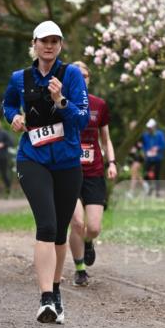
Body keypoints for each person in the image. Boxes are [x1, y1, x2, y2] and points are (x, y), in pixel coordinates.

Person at [2, 20, 89, 323]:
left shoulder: (72, 75)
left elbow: (82, 119)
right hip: (32, 158)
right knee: (47, 226)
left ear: (60, 45)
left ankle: (55, 289)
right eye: (44, 40)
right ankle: (45, 299)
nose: (49, 46)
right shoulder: (20, 78)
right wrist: (13, 117)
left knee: (61, 233)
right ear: (34, 44)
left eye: (55, 41)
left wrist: (60, 101)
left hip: (66, 162)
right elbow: (8, 103)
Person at [68, 62, 117, 287]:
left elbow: (105, 139)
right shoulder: (61, 104)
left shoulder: (99, 105)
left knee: (94, 227)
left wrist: (112, 162)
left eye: (85, 75)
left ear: (89, 79)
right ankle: (80, 269)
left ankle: (88, 243)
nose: (82, 79)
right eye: (77, 75)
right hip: (67, 171)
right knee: (77, 223)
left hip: (94, 171)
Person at [141, 118, 165, 196]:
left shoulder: (160, 134)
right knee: (146, 175)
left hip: (157, 158)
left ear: (154, 127)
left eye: (151, 127)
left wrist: (157, 148)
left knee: (156, 175)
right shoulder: (145, 135)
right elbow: (143, 146)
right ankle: (149, 189)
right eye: (148, 128)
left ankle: (157, 191)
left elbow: (164, 145)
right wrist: (145, 152)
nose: (149, 129)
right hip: (148, 158)